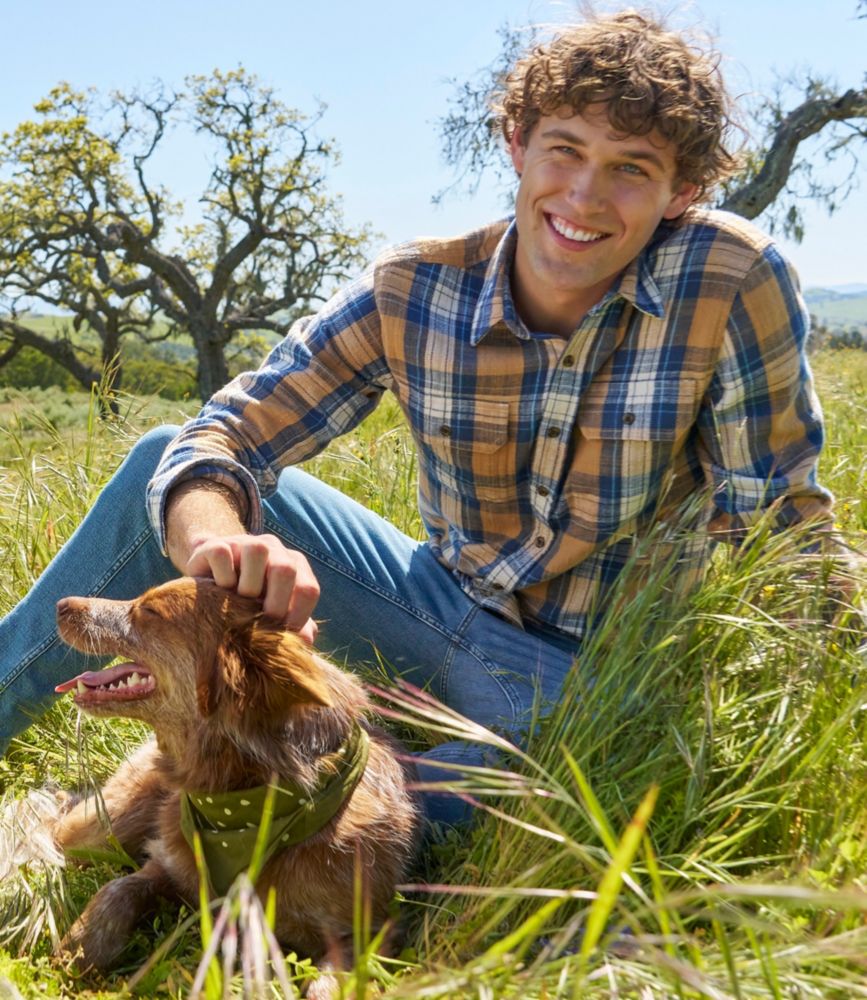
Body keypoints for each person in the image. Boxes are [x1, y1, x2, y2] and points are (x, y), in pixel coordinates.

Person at [0, 11, 845, 823]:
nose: (584, 197)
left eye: (630, 167)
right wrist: (215, 539)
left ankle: (330, 773)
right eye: (564, 150)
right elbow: (228, 434)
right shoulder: (415, 289)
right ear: (516, 144)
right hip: (432, 606)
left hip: (589, 678)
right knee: (162, 460)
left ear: (680, 192)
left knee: (456, 812)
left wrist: (833, 716)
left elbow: (780, 529)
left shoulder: (729, 278)